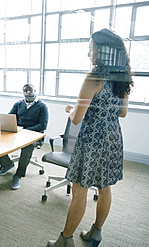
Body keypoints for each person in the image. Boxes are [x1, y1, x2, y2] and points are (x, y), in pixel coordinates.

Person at [47, 28, 133, 247]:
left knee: (79, 190)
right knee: (105, 188)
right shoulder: (123, 77)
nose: (89, 54)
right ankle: (95, 233)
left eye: (91, 49)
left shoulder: (94, 78)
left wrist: (70, 110)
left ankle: (65, 240)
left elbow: (76, 119)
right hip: (113, 137)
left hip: (93, 139)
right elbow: (122, 113)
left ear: (102, 51)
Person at [0, 83, 48, 189]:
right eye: (26, 90)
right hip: (18, 132)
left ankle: (19, 174)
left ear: (35, 91)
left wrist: (25, 130)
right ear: (23, 92)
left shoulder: (42, 106)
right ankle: (7, 164)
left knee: (27, 147)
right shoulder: (18, 104)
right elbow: (10, 118)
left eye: (30, 90)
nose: (28, 92)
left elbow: (43, 125)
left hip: (34, 135)